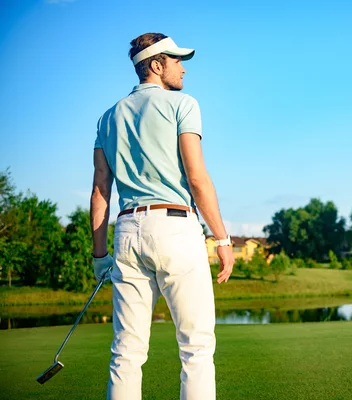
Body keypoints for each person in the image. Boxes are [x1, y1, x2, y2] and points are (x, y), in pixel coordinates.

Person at [90, 32, 234, 400]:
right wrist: (222, 238)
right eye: (176, 60)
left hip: (126, 231)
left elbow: (100, 192)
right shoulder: (183, 104)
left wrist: (99, 255)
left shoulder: (107, 118)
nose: (183, 69)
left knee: (126, 351)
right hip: (174, 228)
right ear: (156, 65)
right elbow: (198, 178)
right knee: (196, 347)